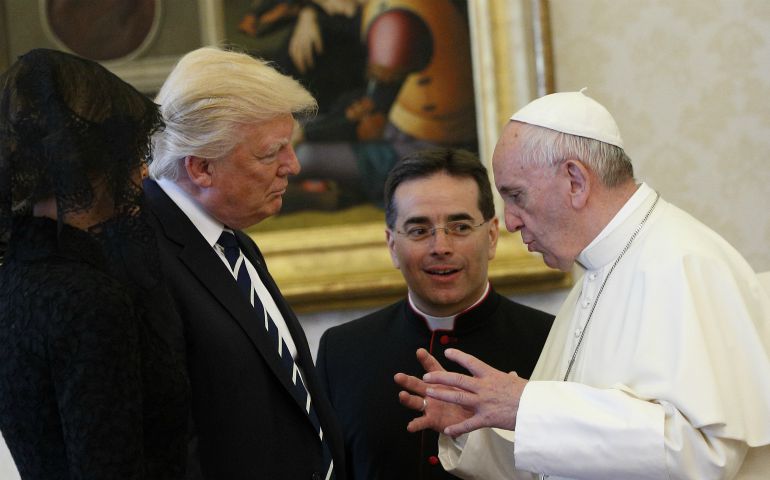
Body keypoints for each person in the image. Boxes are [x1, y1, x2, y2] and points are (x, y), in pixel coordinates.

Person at [395, 90, 770, 479]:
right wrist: (476, 427)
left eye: (516, 196)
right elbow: (560, 462)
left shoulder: (682, 262)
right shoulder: (594, 276)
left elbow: (700, 454)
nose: (510, 222)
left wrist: (528, 407)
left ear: (575, 180)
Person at [144, 46, 345, 480]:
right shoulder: (143, 256)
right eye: (270, 154)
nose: (292, 166)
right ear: (201, 167)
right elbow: (167, 440)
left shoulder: (230, 239)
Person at [0, 48, 189, 479]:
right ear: (92, 164)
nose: (141, 171)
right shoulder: (89, 300)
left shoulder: (15, 278)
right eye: (129, 152)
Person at [316, 148, 554, 479]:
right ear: (391, 245)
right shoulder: (340, 351)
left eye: (460, 227)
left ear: (492, 237)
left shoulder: (551, 341)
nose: (441, 246)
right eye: (418, 229)